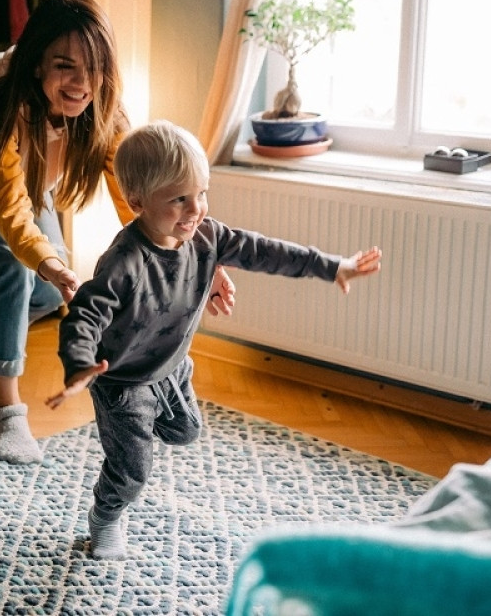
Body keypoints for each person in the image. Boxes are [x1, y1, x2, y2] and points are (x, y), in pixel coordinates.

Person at [0, 0, 235, 465]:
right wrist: (54, 265)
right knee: (14, 265)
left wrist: (203, 259)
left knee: (40, 292)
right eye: (65, 66)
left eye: (95, 69)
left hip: (23, 170)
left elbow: (141, 198)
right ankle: (7, 413)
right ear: (37, 63)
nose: (83, 84)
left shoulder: (104, 108)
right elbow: (14, 214)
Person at [46, 121, 383, 559]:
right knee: (133, 470)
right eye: (179, 199)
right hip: (123, 382)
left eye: (201, 193)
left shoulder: (207, 237)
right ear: (137, 202)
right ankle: (105, 519)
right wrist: (78, 364)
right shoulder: (124, 261)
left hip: (171, 366)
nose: (195, 209)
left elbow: (266, 251)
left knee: (186, 432)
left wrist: (332, 266)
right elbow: (86, 313)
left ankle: (175, 378)